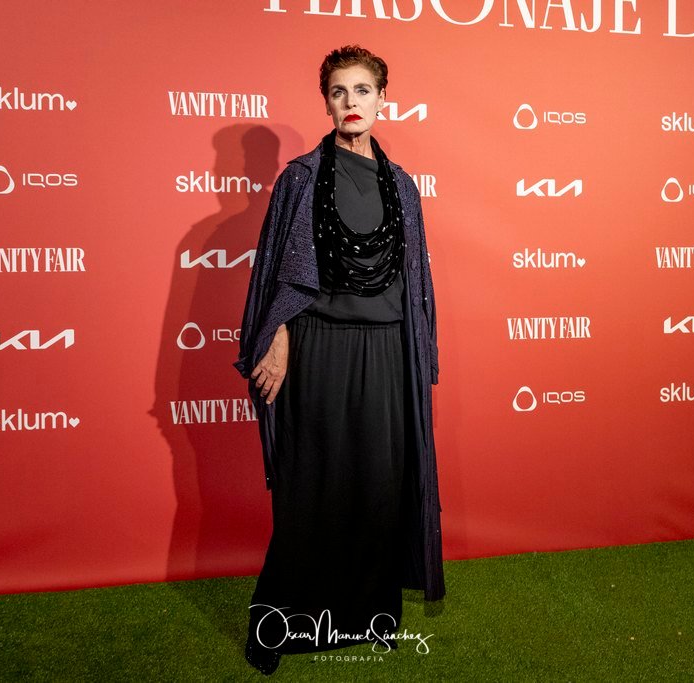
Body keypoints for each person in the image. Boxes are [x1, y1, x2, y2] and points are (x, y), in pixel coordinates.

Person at [233, 44, 444, 676]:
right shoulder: (300, 179)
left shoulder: (402, 186)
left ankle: (366, 617)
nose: (351, 103)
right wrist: (277, 334)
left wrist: (419, 356)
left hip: (387, 353)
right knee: (311, 487)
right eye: (338, 92)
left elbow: (414, 283)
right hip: (319, 348)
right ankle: (279, 625)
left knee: (379, 486)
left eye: (362, 90)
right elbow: (278, 275)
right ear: (326, 102)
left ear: (382, 99)